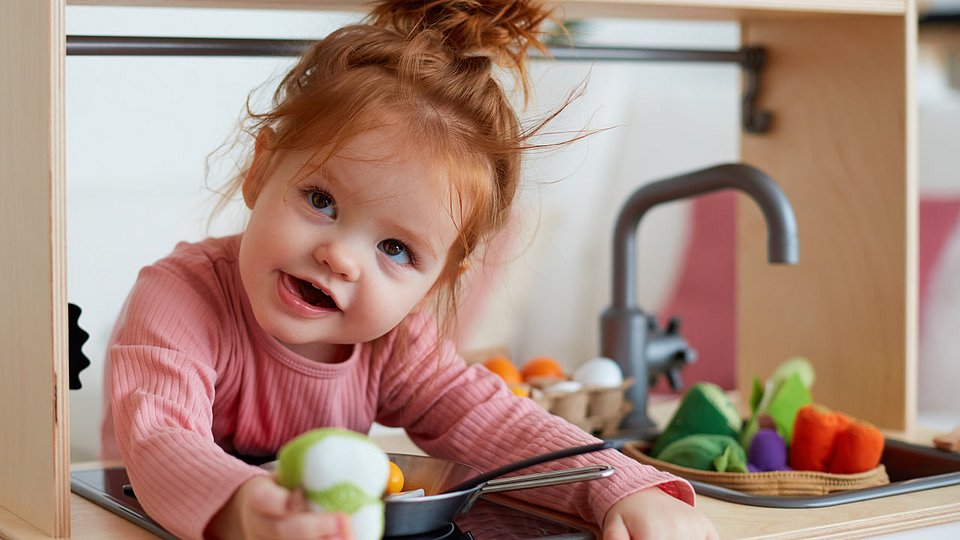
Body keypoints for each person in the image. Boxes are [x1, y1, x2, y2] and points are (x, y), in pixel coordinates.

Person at [101, 1, 719, 539]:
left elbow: (495, 424)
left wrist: (627, 487)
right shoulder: (179, 296)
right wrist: (246, 509)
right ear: (261, 169)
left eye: (396, 249)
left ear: (445, 277)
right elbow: (160, 443)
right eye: (321, 200)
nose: (340, 257)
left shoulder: (396, 341)